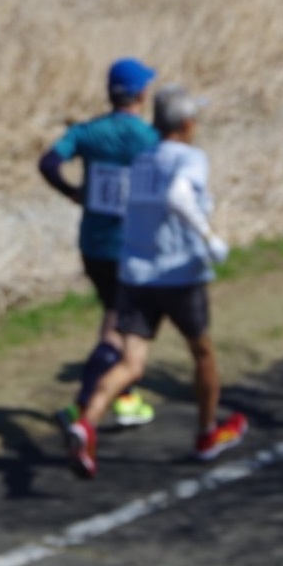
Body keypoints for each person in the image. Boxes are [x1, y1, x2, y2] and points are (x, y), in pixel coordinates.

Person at [65, 85, 248, 479]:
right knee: (202, 354)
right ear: (186, 124)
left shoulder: (141, 159)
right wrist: (208, 237)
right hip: (179, 274)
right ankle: (205, 433)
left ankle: (87, 422)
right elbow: (180, 196)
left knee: (131, 363)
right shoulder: (190, 158)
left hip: (135, 274)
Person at [38, 57, 162, 432]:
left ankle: (125, 395)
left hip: (93, 244)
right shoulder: (149, 138)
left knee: (117, 319)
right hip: (132, 246)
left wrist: (73, 192)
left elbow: (48, 162)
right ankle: (82, 408)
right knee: (120, 327)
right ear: (142, 93)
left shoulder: (88, 132)